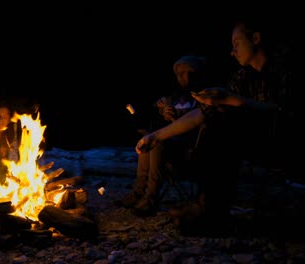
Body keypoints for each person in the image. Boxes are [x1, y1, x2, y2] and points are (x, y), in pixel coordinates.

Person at [136, 18, 292, 235]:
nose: (232, 51)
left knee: (222, 124)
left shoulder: (285, 68)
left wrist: (231, 101)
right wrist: (156, 135)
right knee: (215, 119)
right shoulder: (242, 76)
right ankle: (205, 207)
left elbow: (286, 112)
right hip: (248, 143)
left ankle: (208, 209)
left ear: (255, 39)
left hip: (285, 142)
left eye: (237, 43)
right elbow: (202, 113)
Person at [119, 55, 211, 216]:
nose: (181, 76)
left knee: (158, 142)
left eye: (186, 72)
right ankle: (139, 192)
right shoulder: (175, 97)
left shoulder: (206, 97)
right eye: (178, 73)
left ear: (197, 73)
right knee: (148, 138)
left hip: (193, 153)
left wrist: (175, 121)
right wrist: (163, 112)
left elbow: (197, 124)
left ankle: (151, 198)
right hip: (173, 149)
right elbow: (157, 109)